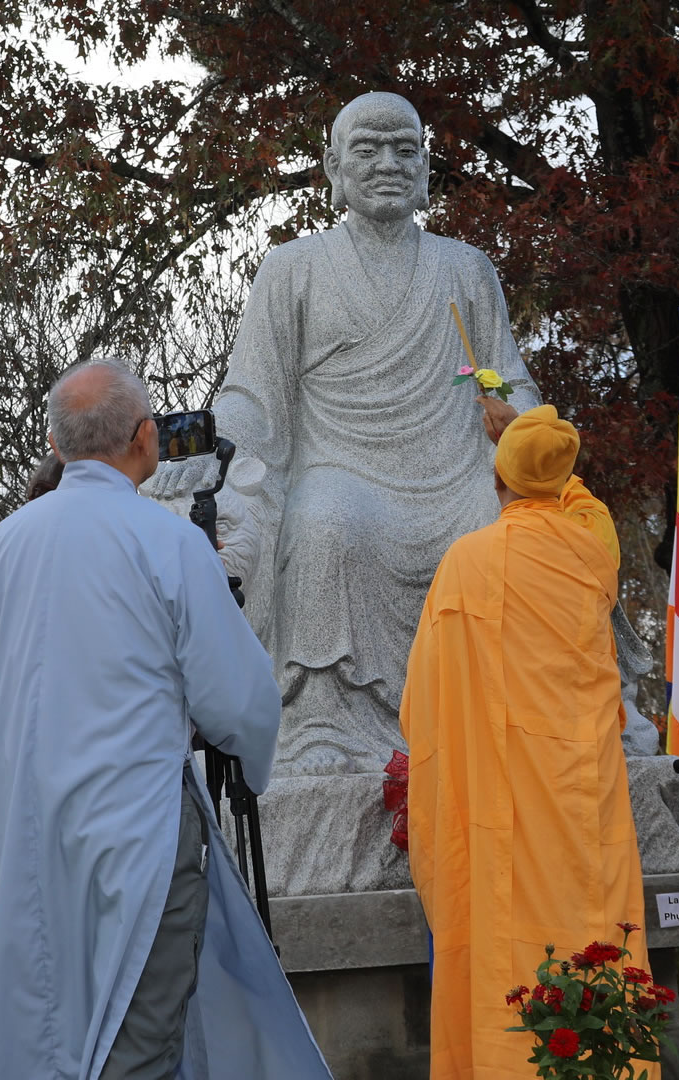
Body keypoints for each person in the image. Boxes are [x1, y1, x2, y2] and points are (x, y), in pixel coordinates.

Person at [0, 360, 331, 1079]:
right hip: (139, 825)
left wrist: (35, 747)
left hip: (38, 824)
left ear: (55, 444)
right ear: (146, 438)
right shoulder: (169, 540)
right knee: (139, 1029)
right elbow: (237, 697)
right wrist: (245, 758)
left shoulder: (8, 541)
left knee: (51, 1021)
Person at [209, 92, 543, 774]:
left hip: (454, 474)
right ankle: (323, 721)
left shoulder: (465, 268)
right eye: (366, 150)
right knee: (324, 523)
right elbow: (252, 395)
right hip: (342, 471)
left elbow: (507, 378)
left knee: (514, 531)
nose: (388, 163)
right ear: (334, 167)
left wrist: (522, 423)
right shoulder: (293, 268)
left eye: (405, 150)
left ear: (425, 168)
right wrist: (220, 451)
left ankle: (513, 719)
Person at [400, 403, 648, 1080]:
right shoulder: (593, 551)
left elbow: (421, 703)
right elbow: (583, 504)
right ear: (564, 480)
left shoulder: (468, 561)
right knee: (593, 931)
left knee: (503, 942)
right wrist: (528, 442)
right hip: (584, 800)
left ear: (495, 478)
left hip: (499, 803)